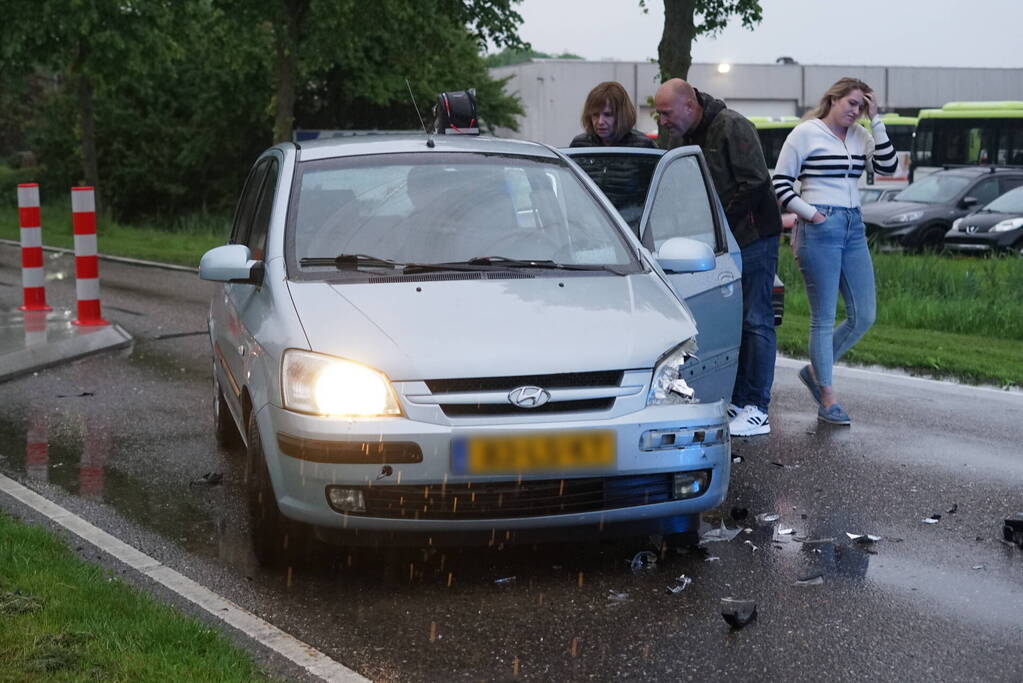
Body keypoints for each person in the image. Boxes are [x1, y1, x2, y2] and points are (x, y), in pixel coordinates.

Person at [653, 78, 783, 437]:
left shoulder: (731, 125)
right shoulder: (685, 136)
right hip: (720, 242)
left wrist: (717, 221)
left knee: (757, 320)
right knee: (734, 321)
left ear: (689, 105)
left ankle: (757, 406)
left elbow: (756, 183)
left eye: (666, 113)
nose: (662, 120)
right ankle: (739, 400)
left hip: (753, 236)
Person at [772, 77, 897, 425]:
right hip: (819, 226)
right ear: (833, 99)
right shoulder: (805, 133)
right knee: (823, 318)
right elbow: (780, 183)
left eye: (862, 106)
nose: (855, 111)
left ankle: (815, 371)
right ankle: (827, 398)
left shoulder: (861, 135)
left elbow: (887, 168)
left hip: (854, 226)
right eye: (852, 104)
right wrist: (812, 215)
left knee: (865, 315)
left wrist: (877, 120)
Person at [570, 81, 656, 148]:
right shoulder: (580, 144)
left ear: (622, 116)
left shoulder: (643, 146)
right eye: (595, 115)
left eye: (608, 114)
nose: (600, 122)